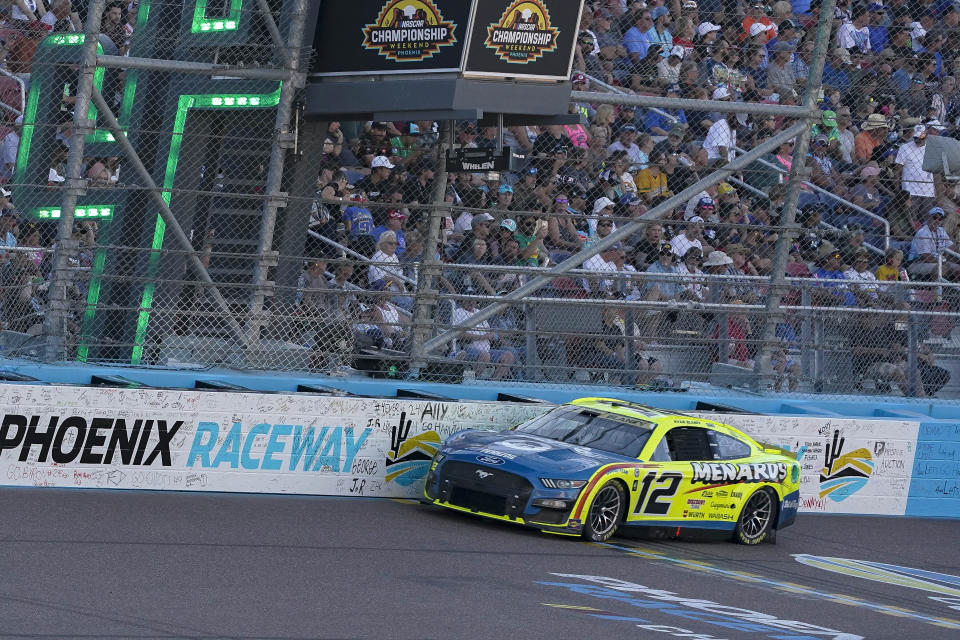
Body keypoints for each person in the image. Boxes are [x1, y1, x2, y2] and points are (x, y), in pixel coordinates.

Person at [451, 293, 515, 380]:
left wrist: (492, 335)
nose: (471, 302)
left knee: (508, 355)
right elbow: (460, 335)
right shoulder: (458, 312)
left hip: (486, 348)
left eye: (473, 299)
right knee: (485, 356)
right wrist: (483, 337)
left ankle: (493, 381)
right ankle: (477, 380)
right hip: (467, 348)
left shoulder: (478, 312)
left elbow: (489, 330)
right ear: (462, 300)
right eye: (468, 300)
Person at [908, 207, 960, 279]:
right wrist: (943, 262)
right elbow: (926, 257)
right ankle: (936, 290)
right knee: (941, 268)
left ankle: (953, 289)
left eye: (940, 219)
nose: (937, 221)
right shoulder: (923, 232)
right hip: (917, 263)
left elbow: (951, 247)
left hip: (938, 261)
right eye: (934, 217)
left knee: (957, 268)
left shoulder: (941, 230)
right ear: (929, 218)